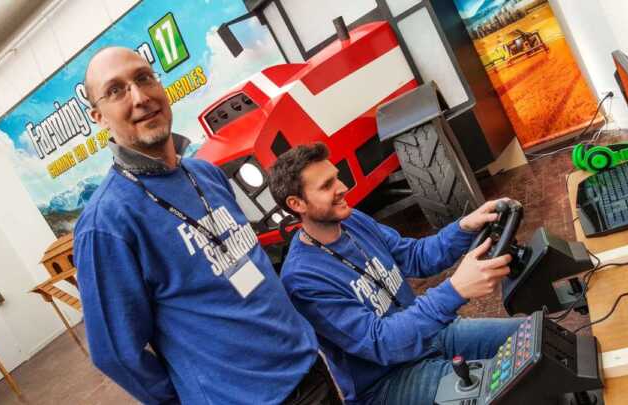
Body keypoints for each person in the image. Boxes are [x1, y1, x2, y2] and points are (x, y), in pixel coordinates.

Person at [74, 47, 341, 405]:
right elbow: (116, 353)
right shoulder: (106, 223)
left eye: (143, 78)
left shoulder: (206, 174)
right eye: (116, 90)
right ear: (99, 116)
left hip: (307, 368)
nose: (139, 98)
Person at [267, 143, 523, 405]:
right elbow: (381, 343)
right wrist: (455, 290)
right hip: (388, 380)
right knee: (507, 388)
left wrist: (464, 227)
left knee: (530, 337)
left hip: (429, 337)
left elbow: (414, 256)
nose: (342, 187)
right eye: (326, 185)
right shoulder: (303, 280)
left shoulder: (353, 220)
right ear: (296, 203)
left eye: (337, 177)